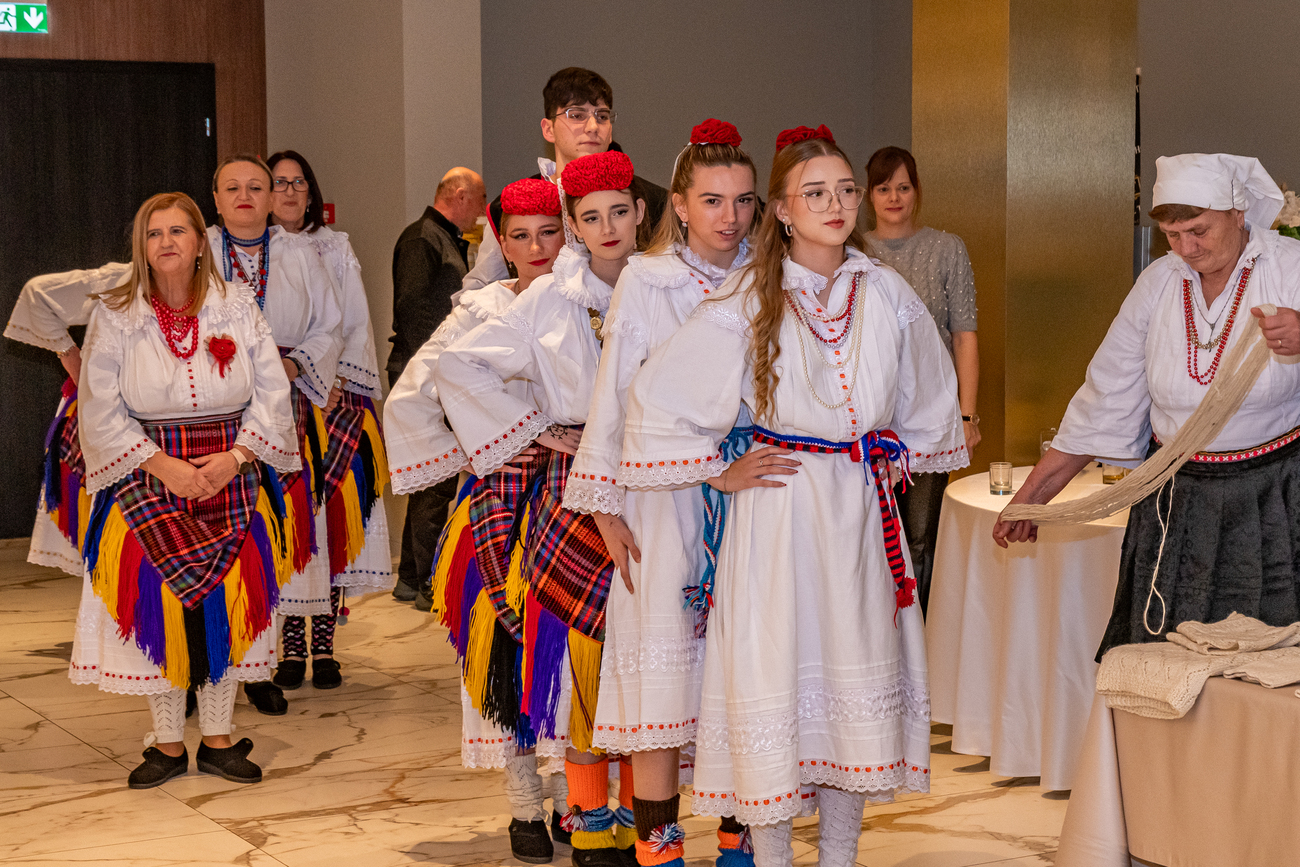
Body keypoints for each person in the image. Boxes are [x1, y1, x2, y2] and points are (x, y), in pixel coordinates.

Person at [619, 126, 966, 867]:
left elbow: (931, 390)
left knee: (851, 675)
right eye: (815, 193)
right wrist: (717, 469)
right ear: (780, 209)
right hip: (779, 510)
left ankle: (838, 857)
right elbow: (657, 397)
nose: (836, 205)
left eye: (845, 191)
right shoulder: (749, 296)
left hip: (858, 513)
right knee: (773, 671)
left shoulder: (885, 290)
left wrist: (899, 451)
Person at [993, 153, 1300, 657]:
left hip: (1273, 498)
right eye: (1173, 235)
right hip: (1174, 497)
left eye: (1198, 231)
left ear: (1238, 212)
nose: (1187, 248)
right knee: (1163, 654)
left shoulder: (1289, 267)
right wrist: (1032, 497)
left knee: (1264, 656)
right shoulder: (1159, 283)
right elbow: (1105, 397)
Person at [436, 150, 647, 867]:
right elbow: (452, 371)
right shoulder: (539, 299)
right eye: (590, 216)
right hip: (555, 490)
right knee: (565, 654)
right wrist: (533, 429)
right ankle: (570, 815)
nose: (606, 227)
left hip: (650, 479)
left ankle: (636, 818)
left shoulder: (658, 285)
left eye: (618, 212)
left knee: (638, 654)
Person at [561, 119, 762, 867]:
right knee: (662, 677)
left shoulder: (768, 274)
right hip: (662, 495)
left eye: (743, 200)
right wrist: (605, 505)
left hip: (753, 495)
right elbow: (617, 393)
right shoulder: (648, 280)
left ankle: (740, 840)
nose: (729, 217)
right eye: (711, 200)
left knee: (745, 673)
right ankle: (658, 849)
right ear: (678, 204)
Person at [70, 191, 301, 788]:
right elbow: (99, 406)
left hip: (230, 468)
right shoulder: (116, 314)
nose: (166, 242)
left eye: (178, 231)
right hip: (147, 472)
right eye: (154, 233)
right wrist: (161, 465)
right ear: (141, 247)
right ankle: (168, 742)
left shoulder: (237, 304)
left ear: (201, 241)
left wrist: (237, 456)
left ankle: (219, 739)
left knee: (226, 607)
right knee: (160, 609)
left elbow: (272, 392)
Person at [386, 177, 570, 864]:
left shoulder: (594, 299)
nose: (535, 247)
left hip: (582, 498)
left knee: (573, 651)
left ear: (569, 234)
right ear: (501, 243)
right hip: (503, 503)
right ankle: (524, 801)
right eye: (519, 236)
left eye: (548, 232)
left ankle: (574, 795)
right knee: (506, 654)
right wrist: (503, 439)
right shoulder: (480, 309)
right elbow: (414, 394)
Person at [208, 153, 345, 715]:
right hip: (211, 409)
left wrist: (289, 368)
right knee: (217, 535)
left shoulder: (299, 252)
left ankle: (258, 668)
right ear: (215, 198)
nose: (244, 196)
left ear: (270, 198)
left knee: (268, 532)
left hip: (282, 405)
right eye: (232, 187)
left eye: (255, 187)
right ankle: (204, 668)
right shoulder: (197, 249)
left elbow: (329, 326)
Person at [266, 149, 392, 690]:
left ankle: (324, 646)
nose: (290, 191)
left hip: (332, 397)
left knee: (328, 520)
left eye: (299, 182)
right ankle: (290, 648)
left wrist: (337, 380)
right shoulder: (250, 249)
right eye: (279, 182)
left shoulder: (334, 246)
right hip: (273, 395)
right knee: (289, 521)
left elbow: (355, 322)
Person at [864, 146, 980, 614]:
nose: (894, 197)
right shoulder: (854, 251)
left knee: (920, 536)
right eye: (883, 188)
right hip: (871, 417)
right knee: (870, 533)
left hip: (933, 414)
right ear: (868, 196)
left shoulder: (947, 248)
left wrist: (967, 416)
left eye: (903, 187)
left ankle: (920, 634)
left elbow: (964, 336)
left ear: (917, 192)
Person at [461, 66, 667, 294]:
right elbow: (479, 289)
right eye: (577, 115)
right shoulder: (509, 207)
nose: (593, 127)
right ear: (548, 129)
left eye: (602, 116)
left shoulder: (655, 201)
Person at [389, 166, 487, 605]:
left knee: (431, 479)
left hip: (433, 372)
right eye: (479, 200)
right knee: (436, 478)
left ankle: (411, 577)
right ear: (460, 195)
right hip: (424, 374)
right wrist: (437, 371)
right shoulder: (421, 238)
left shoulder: (443, 237)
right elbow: (413, 310)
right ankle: (428, 582)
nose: (481, 210)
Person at [6, 261, 129, 574]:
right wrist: (72, 358)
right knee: (120, 540)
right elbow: (38, 294)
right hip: (125, 422)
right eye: (156, 236)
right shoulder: (132, 277)